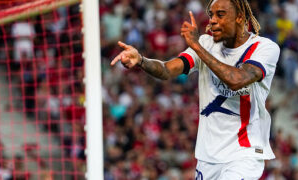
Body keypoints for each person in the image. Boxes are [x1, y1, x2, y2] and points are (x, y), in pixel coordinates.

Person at [111, 0, 280, 179]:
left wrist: (197, 47)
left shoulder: (264, 48)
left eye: (220, 15)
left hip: (243, 155)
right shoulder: (206, 44)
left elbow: (237, 80)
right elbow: (167, 70)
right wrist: (141, 60)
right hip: (207, 157)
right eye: (211, 15)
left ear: (239, 17)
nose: (212, 21)